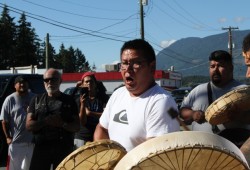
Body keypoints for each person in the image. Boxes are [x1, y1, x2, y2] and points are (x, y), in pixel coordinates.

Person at [94, 39, 180, 152]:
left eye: (136, 63)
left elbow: (156, 156)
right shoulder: (117, 94)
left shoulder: (162, 102)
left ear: (152, 67)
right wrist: (103, 158)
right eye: (124, 63)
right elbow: (102, 128)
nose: (128, 69)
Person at [180, 50, 248, 146]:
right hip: (201, 150)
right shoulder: (198, 91)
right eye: (212, 66)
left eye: (220, 66)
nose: (215, 70)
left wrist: (241, 116)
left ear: (231, 68)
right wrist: (192, 113)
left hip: (235, 151)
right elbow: (182, 111)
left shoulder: (243, 91)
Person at [26, 68, 80, 170]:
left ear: (60, 81)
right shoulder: (36, 100)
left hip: (63, 149)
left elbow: (77, 126)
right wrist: (45, 122)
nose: (49, 82)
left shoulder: (69, 101)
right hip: (41, 149)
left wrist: (62, 124)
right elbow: (28, 126)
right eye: (46, 80)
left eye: (53, 79)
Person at [0, 76, 35, 170]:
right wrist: (7, 137)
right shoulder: (10, 99)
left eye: (25, 82)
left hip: (32, 141)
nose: (22, 84)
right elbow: (4, 121)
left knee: (30, 167)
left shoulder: (34, 98)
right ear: (15, 85)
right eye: (20, 83)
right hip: (16, 142)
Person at [73, 72, 109, 148]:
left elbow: (108, 116)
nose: (89, 83)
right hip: (82, 137)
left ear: (95, 84)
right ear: (82, 84)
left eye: (91, 81)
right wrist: (83, 104)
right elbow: (82, 122)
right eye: (86, 82)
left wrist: (90, 113)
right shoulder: (78, 100)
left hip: (99, 136)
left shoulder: (103, 98)